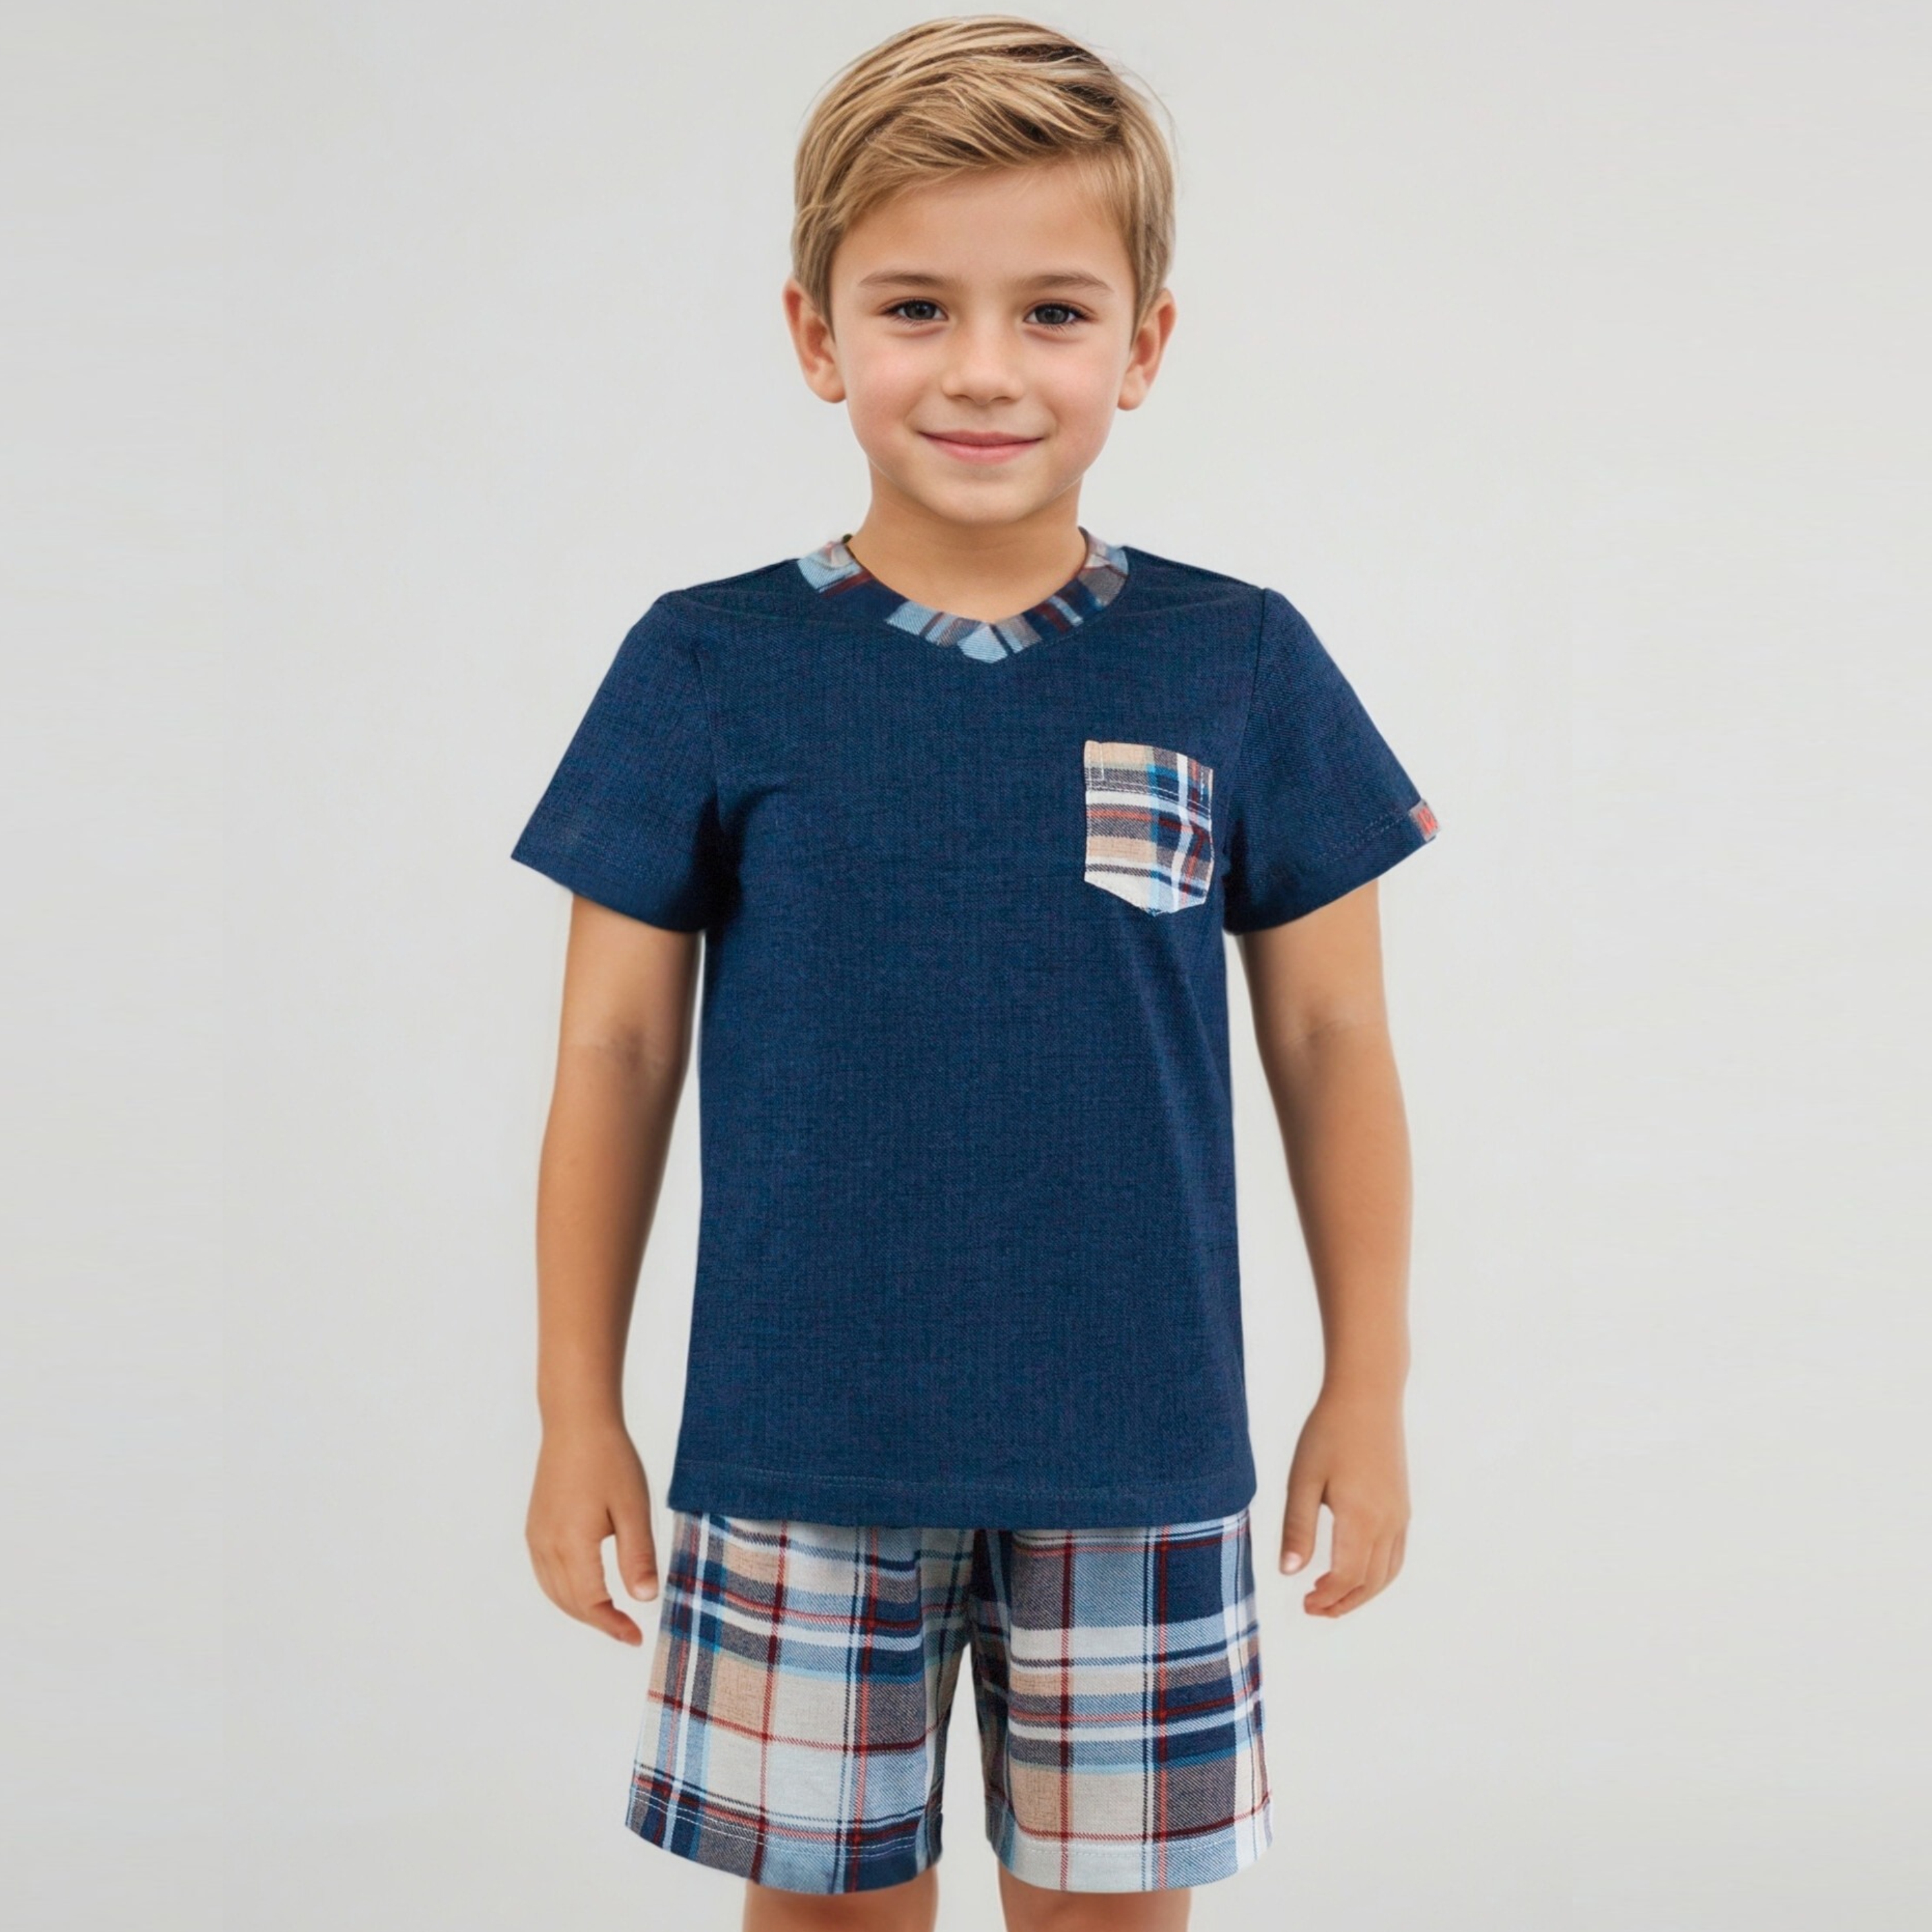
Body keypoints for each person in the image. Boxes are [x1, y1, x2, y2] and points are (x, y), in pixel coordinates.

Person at [510, 17, 1439, 1931]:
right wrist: (573, 1406)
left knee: (1110, 1913)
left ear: (1145, 346)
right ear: (817, 334)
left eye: (1055, 312)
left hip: (1141, 1451)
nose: (987, 368)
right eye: (918, 307)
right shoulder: (706, 664)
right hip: (797, 1446)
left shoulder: (1238, 660)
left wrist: (1372, 1383)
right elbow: (614, 1058)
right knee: (827, 1910)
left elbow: (1334, 1035)